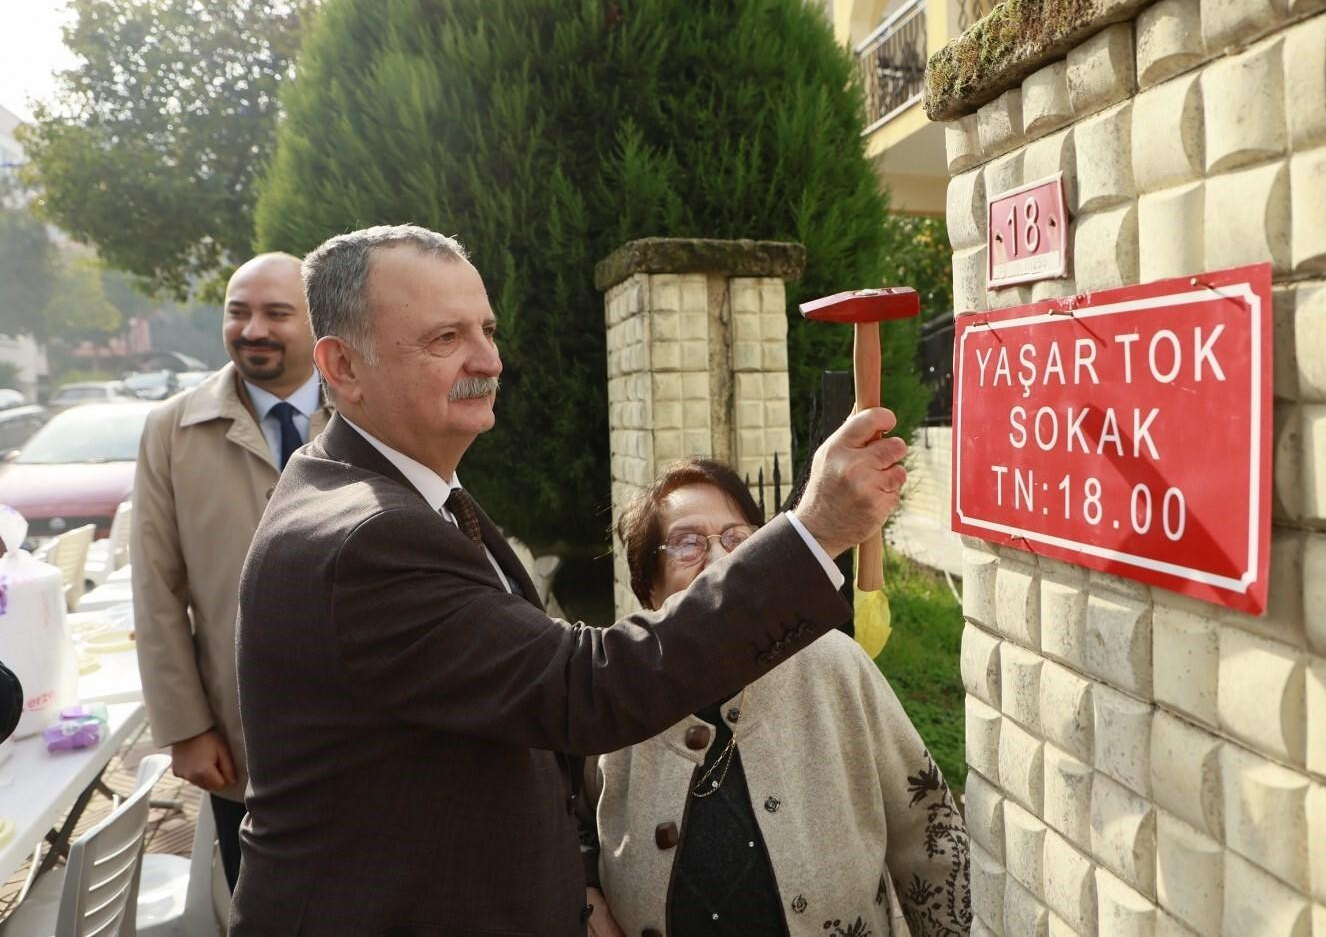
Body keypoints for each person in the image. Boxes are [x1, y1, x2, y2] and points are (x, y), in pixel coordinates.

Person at [233, 225, 906, 935]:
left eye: (486, 329)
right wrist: (813, 531)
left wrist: (575, 882)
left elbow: (516, 706)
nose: (488, 360)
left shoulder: (402, 494)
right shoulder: (369, 537)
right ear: (342, 366)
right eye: (444, 339)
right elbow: (585, 690)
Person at [589, 458, 970, 937]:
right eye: (688, 544)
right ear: (648, 586)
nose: (718, 560)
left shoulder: (834, 665)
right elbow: (564, 817)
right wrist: (586, 890)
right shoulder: (618, 686)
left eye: (737, 539)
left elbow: (929, 830)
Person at [131, 252, 326, 889]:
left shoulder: (371, 412)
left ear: (319, 320)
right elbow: (155, 587)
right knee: (265, 901)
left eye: (277, 313)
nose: (253, 329)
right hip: (243, 740)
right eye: (238, 313)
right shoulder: (171, 431)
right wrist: (185, 728)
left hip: (371, 726)